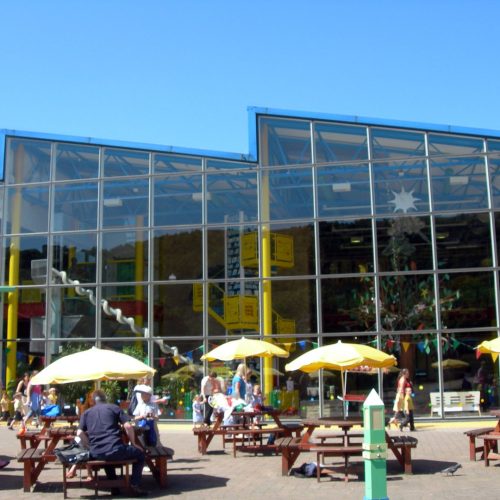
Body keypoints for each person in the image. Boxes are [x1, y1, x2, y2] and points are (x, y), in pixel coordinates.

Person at [78, 389, 147, 497]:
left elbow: (79, 433)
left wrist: (89, 446)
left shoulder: (86, 413)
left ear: (93, 401)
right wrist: (133, 443)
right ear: (105, 399)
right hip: (115, 449)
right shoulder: (114, 408)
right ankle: (134, 484)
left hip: (96, 452)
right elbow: (128, 426)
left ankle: (114, 488)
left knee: (106, 455)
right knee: (140, 454)